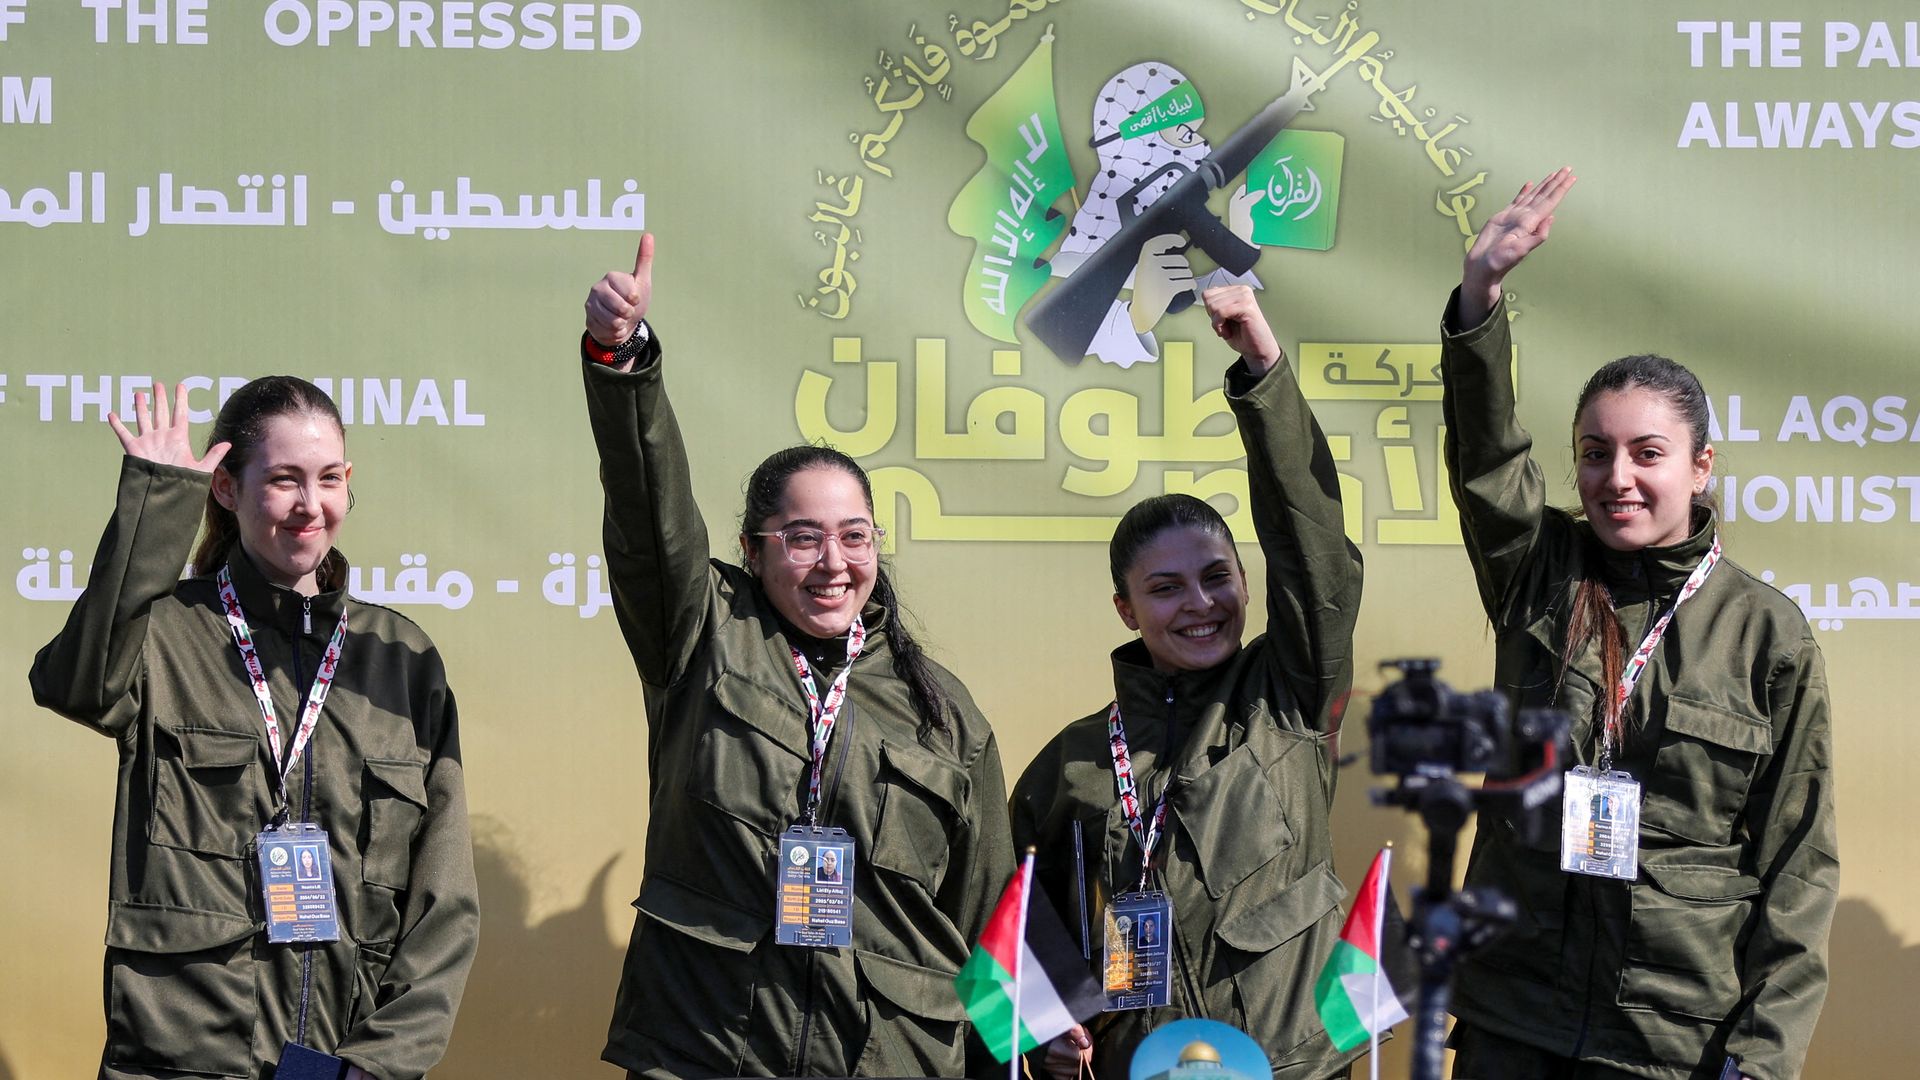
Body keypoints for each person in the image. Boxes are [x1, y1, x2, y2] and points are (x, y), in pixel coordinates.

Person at [579, 234, 1015, 1078]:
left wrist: (1016, 1059)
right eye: (803, 538)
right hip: (711, 1053)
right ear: (753, 548)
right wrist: (623, 360)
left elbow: (991, 918)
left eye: (855, 538)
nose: (833, 562)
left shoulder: (942, 710)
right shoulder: (704, 634)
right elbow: (646, 510)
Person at [1437, 168, 1836, 1080]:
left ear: (1700, 467)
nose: (1617, 477)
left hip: (1670, 1042)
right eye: (1594, 453)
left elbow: (1799, 864)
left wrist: (1763, 1057)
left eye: (1647, 453)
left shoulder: (1768, 634)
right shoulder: (1541, 575)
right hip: (1516, 1018)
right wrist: (1479, 299)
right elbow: (1488, 461)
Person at [29, 377, 478, 1080]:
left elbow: (443, 901)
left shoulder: (402, 661)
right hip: (181, 1061)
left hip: (339, 1064)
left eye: (328, 478)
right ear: (228, 490)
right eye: (283, 480)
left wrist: (382, 1062)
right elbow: (74, 685)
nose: (310, 506)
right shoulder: (167, 633)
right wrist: (159, 497)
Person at [1010, 285, 1370, 1080]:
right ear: (1126, 608)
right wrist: (1043, 1027)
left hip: (1290, 1066)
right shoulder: (1073, 760)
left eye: (1217, 577)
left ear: (1248, 580)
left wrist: (1263, 371)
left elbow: (1318, 558)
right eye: (1167, 589)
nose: (1200, 604)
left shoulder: (1291, 697)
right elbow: (1000, 906)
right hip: (1136, 1066)